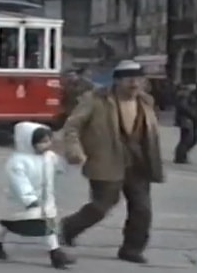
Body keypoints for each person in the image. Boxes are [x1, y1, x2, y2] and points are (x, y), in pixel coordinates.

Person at [60, 60, 164, 264]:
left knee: (142, 209)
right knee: (101, 206)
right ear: (117, 81)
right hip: (107, 160)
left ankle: (132, 249)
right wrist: (75, 150)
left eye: (138, 79)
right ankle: (68, 227)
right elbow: (72, 126)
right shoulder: (95, 99)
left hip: (139, 163)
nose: (134, 84)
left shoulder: (146, 101)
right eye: (129, 79)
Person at [0, 121, 76, 269]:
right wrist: (29, 199)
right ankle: (56, 254)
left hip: (44, 200)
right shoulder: (17, 162)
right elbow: (19, 182)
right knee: (41, 226)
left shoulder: (49, 157)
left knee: (8, 223)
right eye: (42, 142)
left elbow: (60, 167)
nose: (47, 145)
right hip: (22, 202)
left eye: (48, 141)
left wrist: (66, 159)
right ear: (29, 142)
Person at [173, 84, 197, 164]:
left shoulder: (189, 95)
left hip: (189, 120)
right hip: (186, 120)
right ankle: (180, 157)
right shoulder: (184, 95)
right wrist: (193, 114)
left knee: (191, 139)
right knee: (186, 140)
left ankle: (182, 155)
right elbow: (183, 107)